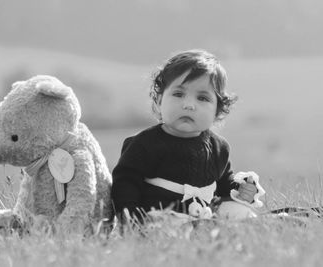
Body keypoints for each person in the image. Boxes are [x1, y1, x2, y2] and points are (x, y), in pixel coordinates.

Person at [111, 49, 258, 221]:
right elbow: (125, 185)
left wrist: (241, 189)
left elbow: (224, 185)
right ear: (159, 101)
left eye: (202, 98)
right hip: (159, 219)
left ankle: (266, 221)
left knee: (240, 213)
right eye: (178, 94)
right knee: (163, 221)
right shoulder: (144, 144)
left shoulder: (219, 148)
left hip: (204, 216)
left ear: (217, 111)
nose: (189, 105)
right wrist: (131, 219)